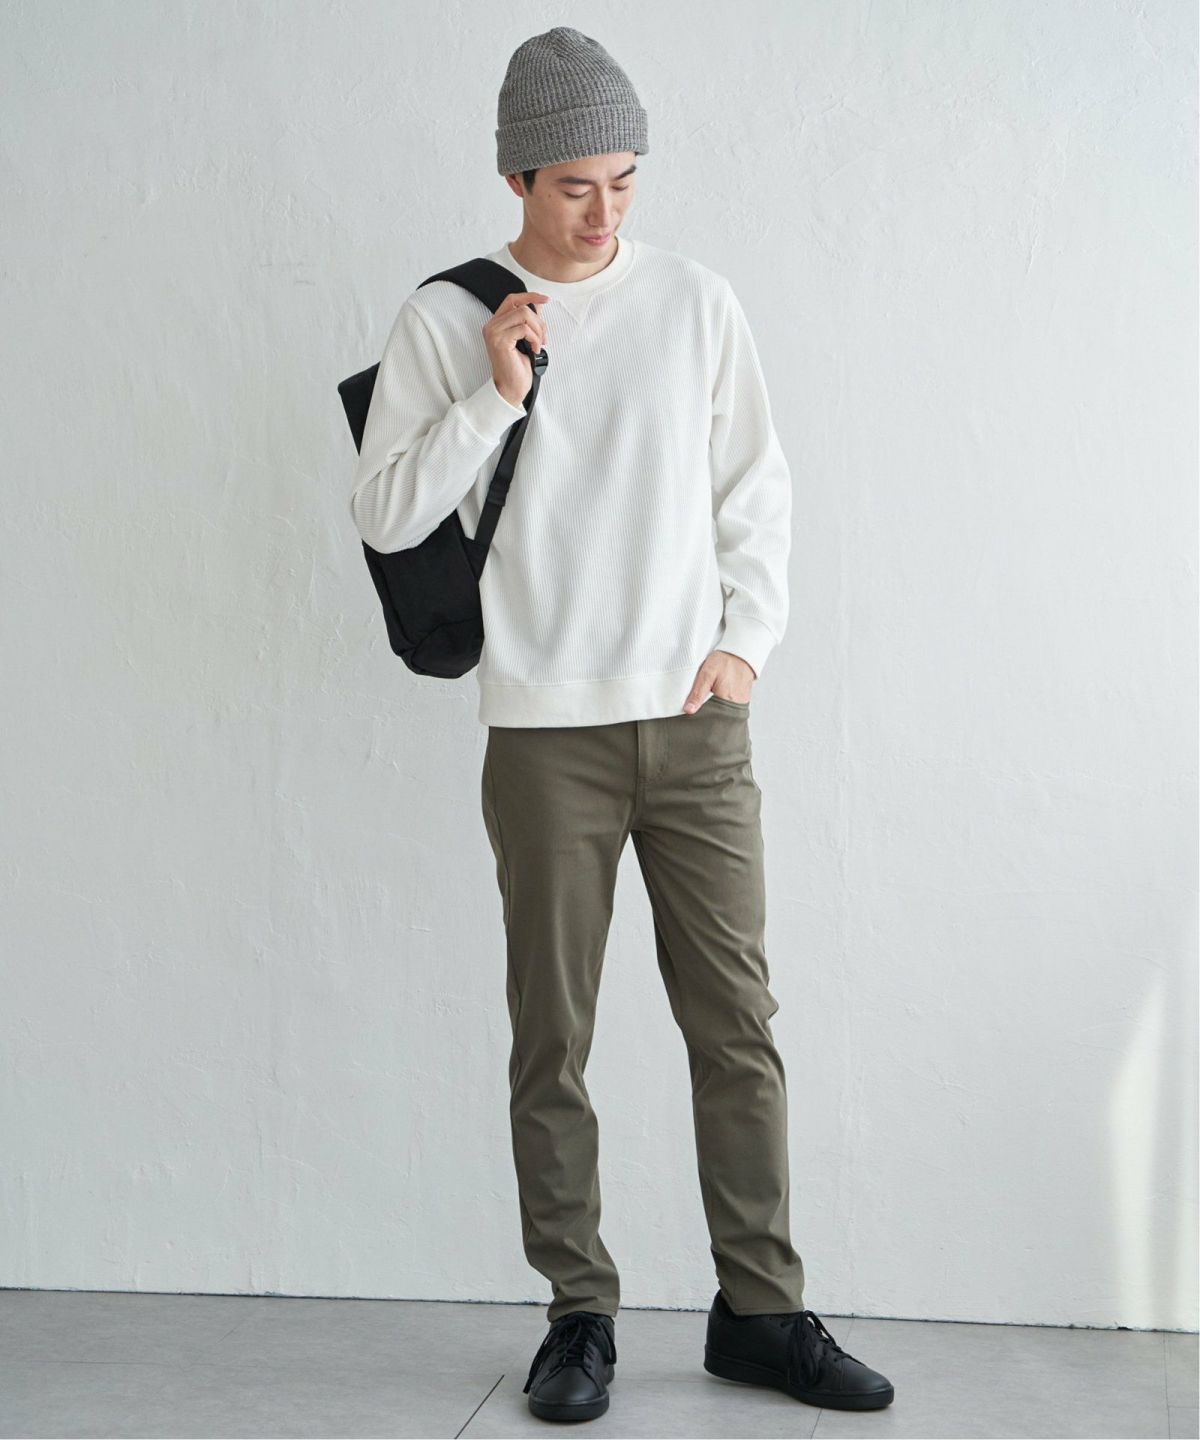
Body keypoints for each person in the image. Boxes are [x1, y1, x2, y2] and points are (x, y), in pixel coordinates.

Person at [349, 24, 894, 1426]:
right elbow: (387, 512)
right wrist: (494, 397)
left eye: (627, 181)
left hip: (696, 723)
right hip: (546, 735)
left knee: (738, 1025)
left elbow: (755, 487)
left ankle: (760, 1312)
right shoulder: (446, 318)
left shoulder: (695, 302)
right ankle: (577, 1311)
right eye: (578, 185)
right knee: (555, 1036)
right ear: (519, 178)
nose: (606, 213)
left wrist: (746, 646)